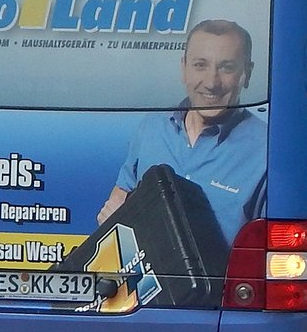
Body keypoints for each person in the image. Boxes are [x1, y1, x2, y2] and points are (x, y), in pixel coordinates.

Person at [98, 19, 267, 245]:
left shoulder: (267, 151)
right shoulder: (152, 129)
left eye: (227, 67)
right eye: (200, 65)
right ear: (184, 69)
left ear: (246, 73)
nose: (211, 82)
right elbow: (118, 200)